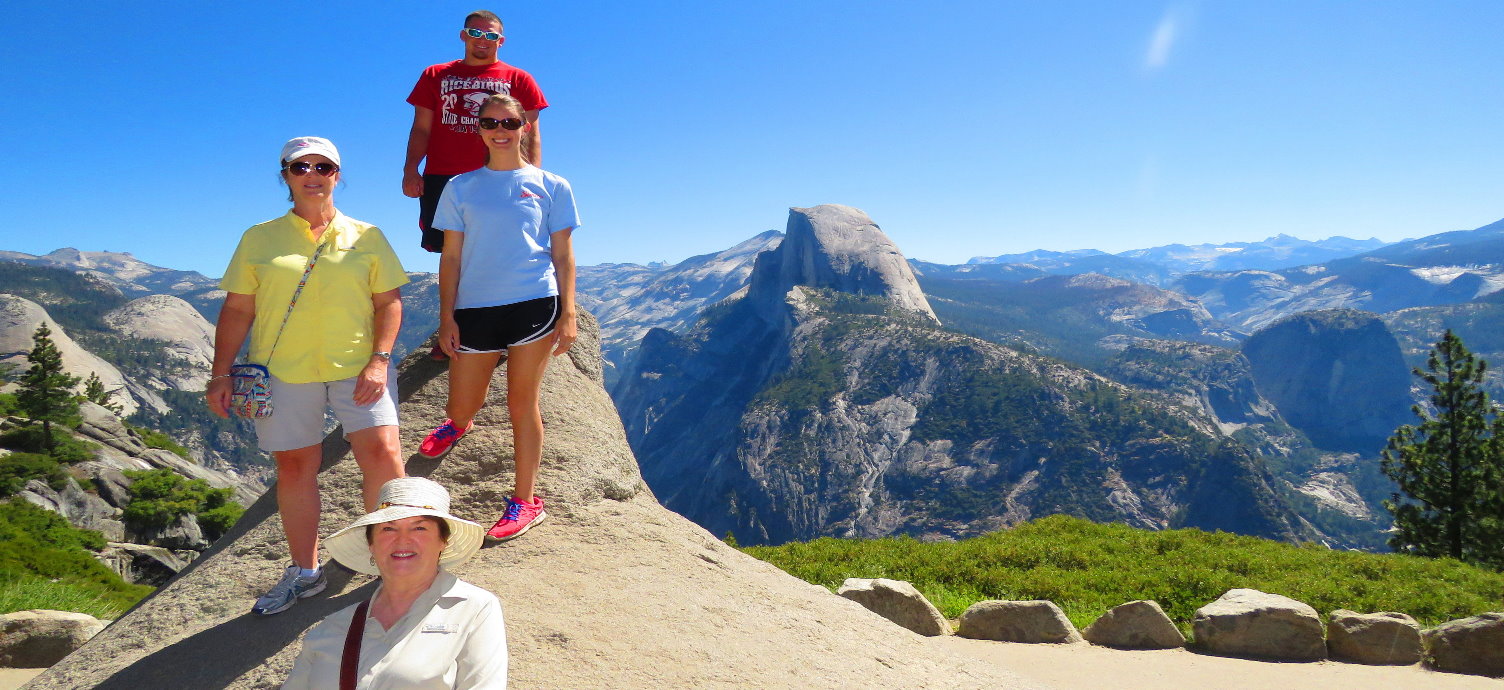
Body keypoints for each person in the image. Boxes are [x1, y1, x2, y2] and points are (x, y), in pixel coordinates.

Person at [208, 136, 408, 616]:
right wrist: (220, 374)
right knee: (296, 467)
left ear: (337, 175)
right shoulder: (259, 238)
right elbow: (238, 309)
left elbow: (389, 302)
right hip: (284, 370)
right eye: (300, 167)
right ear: (286, 176)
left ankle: (398, 562)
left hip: (358, 365)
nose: (312, 175)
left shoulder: (367, 235)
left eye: (323, 167)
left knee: (383, 454)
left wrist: (380, 359)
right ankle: (305, 571)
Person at [418, 92, 579, 543]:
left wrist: (568, 312)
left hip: (534, 302)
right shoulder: (460, 187)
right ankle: (459, 423)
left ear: (524, 126)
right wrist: (446, 317)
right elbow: (451, 257)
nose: (500, 131)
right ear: (479, 130)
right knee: (461, 405)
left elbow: (563, 255)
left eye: (509, 122)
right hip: (475, 307)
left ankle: (526, 501)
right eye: (490, 123)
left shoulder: (552, 185)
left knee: (521, 402)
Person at [282, 477, 504, 689]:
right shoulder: (333, 627)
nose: (402, 539)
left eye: (419, 528)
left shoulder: (473, 609)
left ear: (443, 541)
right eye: (388, 528)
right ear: (371, 544)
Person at [403, 9, 549, 255]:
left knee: (504, 247)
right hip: (443, 177)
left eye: (491, 35)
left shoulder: (519, 79)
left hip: (501, 176)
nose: (483, 39)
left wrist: (532, 177)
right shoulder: (434, 75)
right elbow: (420, 128)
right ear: (463, 35)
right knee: (449, 251)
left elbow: (530, 133)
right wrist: (410, 170)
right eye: (475, 32)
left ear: (501, 41)